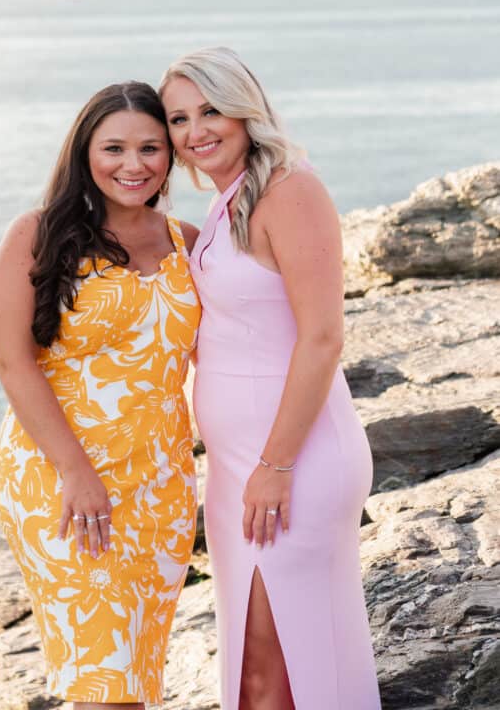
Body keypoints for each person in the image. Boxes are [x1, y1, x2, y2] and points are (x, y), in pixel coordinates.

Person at [160, 48, 381, 710]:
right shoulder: (230, 203)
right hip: (237, 468)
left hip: (291, 464)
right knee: (277, 662)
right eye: (177, 118)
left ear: (245, 108)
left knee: (270, 666)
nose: (195, 130)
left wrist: (276, 465)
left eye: (210, 109)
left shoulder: (291, 190)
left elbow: (321, 338)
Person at [0, 81, 200, 709]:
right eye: (114, 149)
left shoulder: (189, 241)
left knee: (135, 677)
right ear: (84, 153)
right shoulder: (38, 234)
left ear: (172, 156)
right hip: (63, 482)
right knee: (102, 682)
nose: (133, 166)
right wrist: (76, 473)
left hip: (162, 484)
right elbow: (12, 362)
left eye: (151, 149)